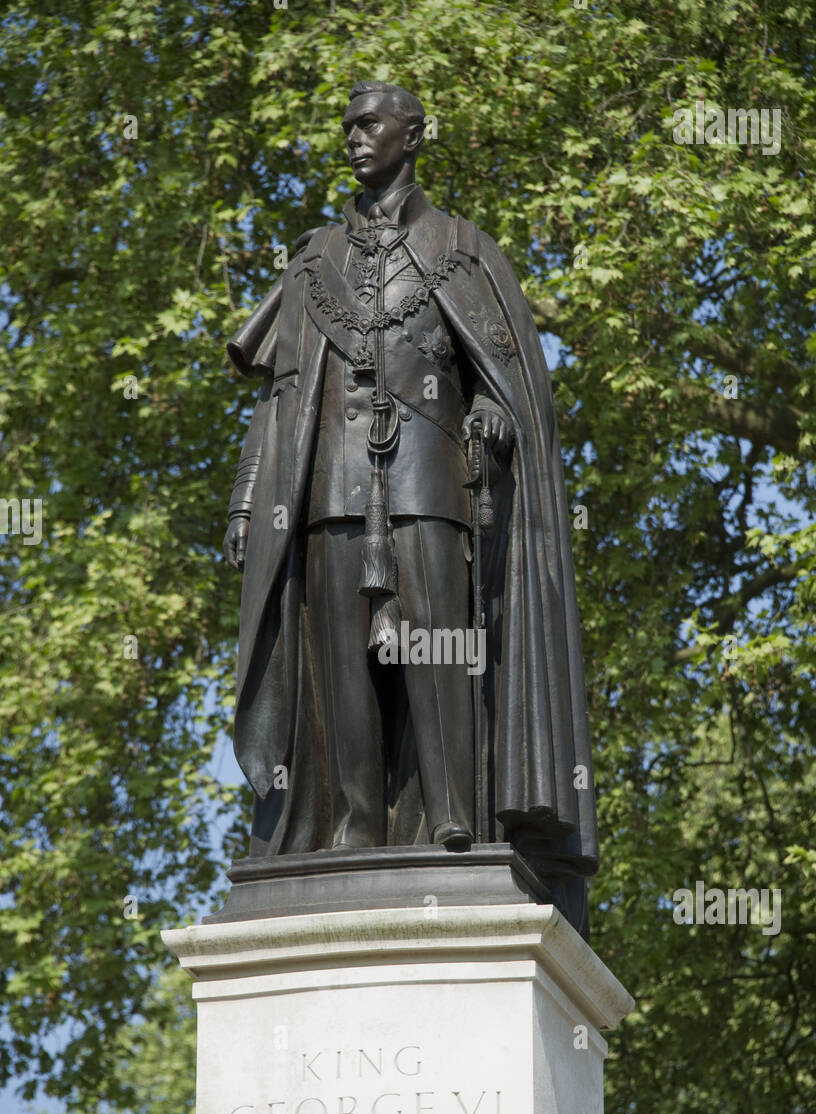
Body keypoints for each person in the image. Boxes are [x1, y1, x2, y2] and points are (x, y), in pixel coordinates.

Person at [223, 81, 598, 929]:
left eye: (371, 124)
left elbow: (505, 379)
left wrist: (494, 410)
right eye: (347, 126)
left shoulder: (463, 251)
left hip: (433, 486)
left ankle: (449, 814)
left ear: (413, 135)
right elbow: (278, 402)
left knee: (437, 652)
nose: (354, 138)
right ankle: (351, 827)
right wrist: (249, 502)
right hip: (325, 492)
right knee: (339, 668)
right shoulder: (314, 257)